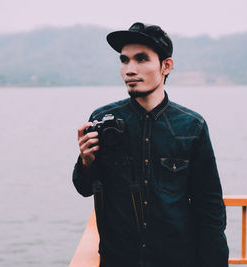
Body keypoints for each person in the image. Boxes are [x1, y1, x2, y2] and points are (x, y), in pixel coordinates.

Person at [72, 22, 229, 267]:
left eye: (141, 59)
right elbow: (84, 187)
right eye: (124, 60)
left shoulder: (191, 126)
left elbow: (209, 206)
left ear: (166, 66)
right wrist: (86, 161)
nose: (129, 70)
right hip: (118, 260)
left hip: (177, 259)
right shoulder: (102, 120)